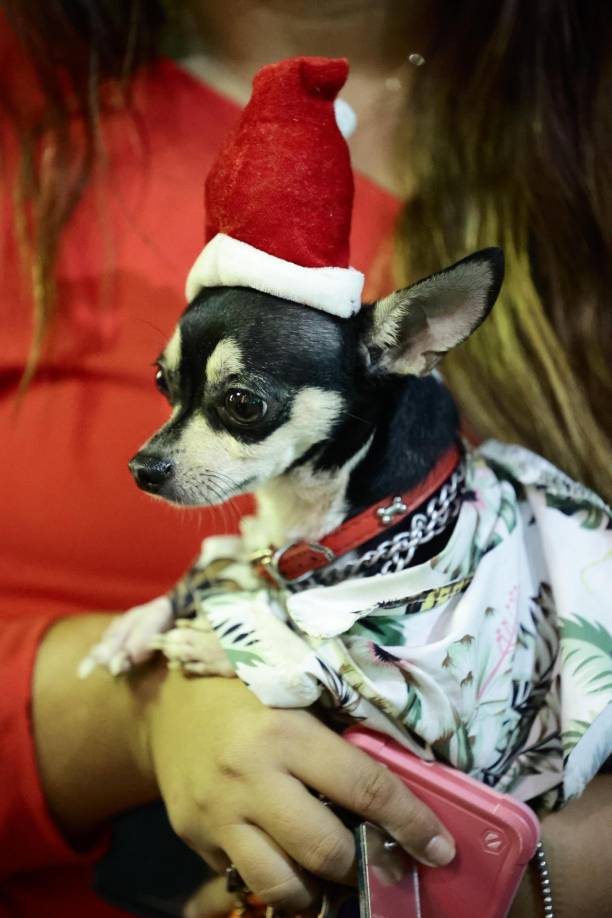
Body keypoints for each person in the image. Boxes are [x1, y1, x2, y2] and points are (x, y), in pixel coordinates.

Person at [0, 3, 610, 917]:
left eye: (240, 408)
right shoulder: (31, 94)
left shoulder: (582, 134)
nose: (158, 455)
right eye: (171, 390)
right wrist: (144, 713)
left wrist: (524, 875)